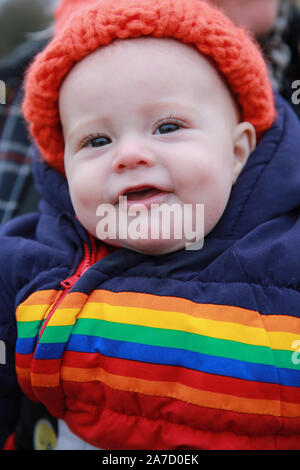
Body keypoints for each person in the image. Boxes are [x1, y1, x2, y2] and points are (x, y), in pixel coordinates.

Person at [1, 0, 300, 450]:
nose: (131, 154)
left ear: (238, 152)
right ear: (63, 166)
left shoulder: (286, 253)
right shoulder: (33, 264)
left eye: (167, 127)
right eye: (97, 140)